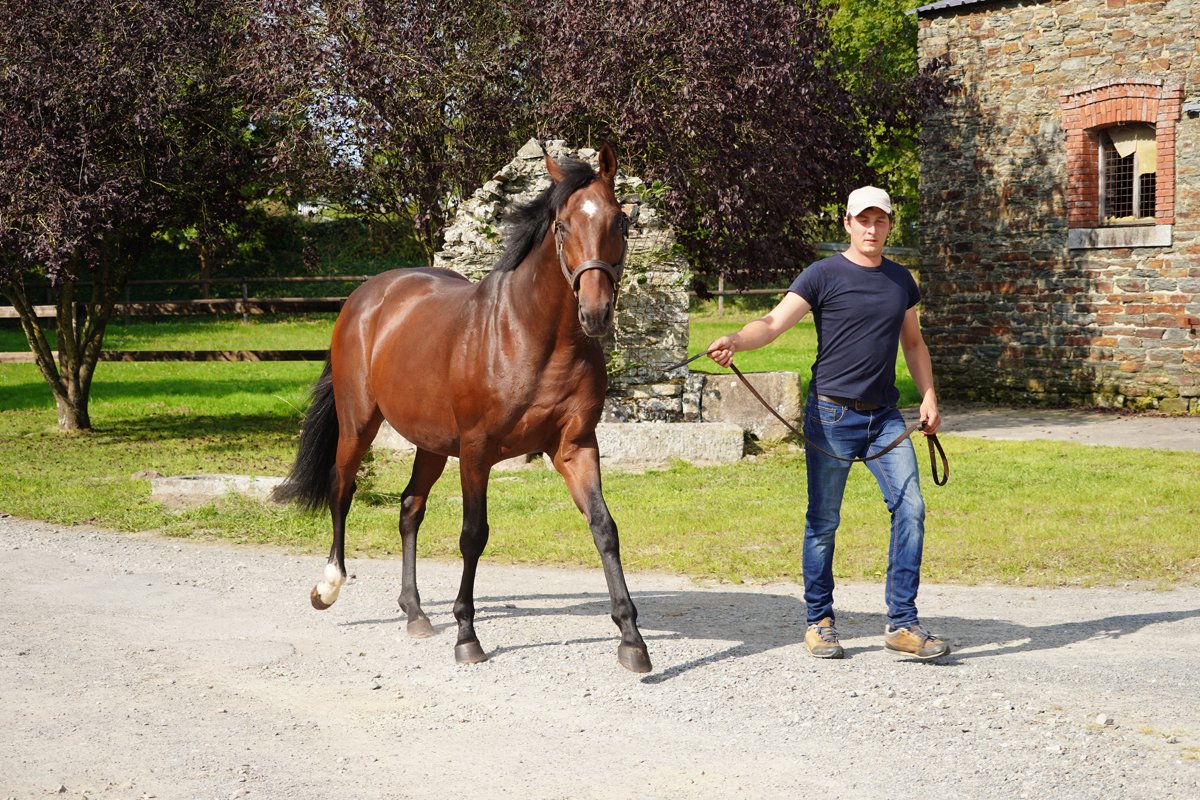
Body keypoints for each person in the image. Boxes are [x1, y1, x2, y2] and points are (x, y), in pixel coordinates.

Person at [706, 186, 950, 661]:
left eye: (880, 220)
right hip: (831, 414)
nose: (872, 229)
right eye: (864, 220)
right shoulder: (822, 274)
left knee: (912, 508)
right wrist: (735, 339)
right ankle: (819, 621)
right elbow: (773, 324)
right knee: (823, 521)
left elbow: (913, 343)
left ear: (890, 225)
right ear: (847, 223)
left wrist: (928, 396)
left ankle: (903, 623)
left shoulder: (901, 280)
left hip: (885, 418)